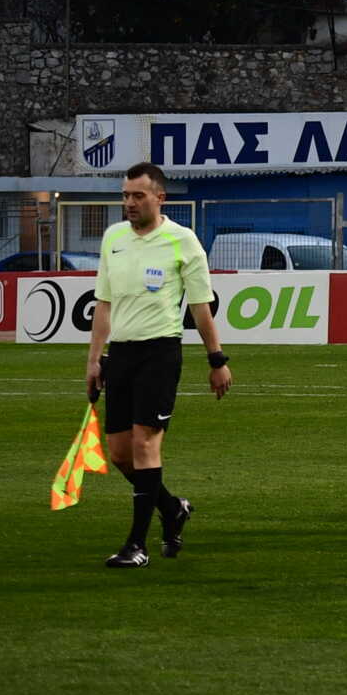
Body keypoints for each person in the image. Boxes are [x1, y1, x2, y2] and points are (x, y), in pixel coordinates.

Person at [83, 163, 233, 569]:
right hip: (121, 356)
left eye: (138, 196)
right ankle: (171, 508)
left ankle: (137, 545)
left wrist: (216, 360)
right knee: (119, 454)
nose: (129, 203)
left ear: (159, 198)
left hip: (160, 354)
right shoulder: (113, 238)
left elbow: (201, 308)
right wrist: (95, 360)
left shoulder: (183, 242)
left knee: (146, 445)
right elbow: (105, 303)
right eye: (126, 195)